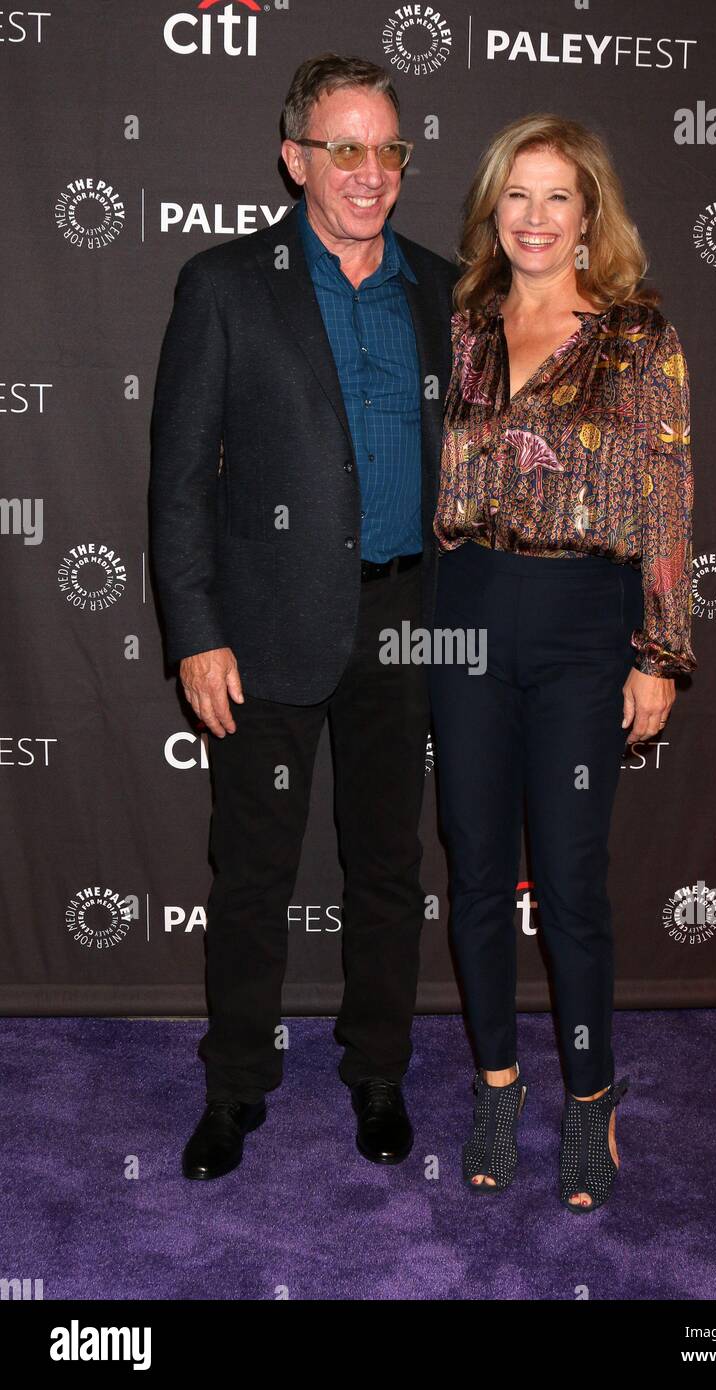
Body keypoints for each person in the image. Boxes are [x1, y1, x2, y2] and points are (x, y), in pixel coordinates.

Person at [148, 52, 459, 1179]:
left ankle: (378, 1072)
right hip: (263, 627)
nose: (369, 172)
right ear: (295, 159)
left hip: (406, 620)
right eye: (344, 148)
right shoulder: (227, 285)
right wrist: (194, 631)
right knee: (252, 879)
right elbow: (179, 479)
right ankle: (234, 1088)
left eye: (387, 149)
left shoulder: (440, 285)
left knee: (387, 868)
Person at [428, 113, 696, 1212]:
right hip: (466, 609)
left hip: (585, 620)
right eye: (515, 197)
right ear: (492, 211)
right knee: (477, 870)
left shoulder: (638, 337)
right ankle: (497, 1084)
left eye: (556, 198)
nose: (534, 219)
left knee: (572, 886)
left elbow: (666, 504)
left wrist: (660, 653)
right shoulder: (462, 326)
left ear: (589, 216)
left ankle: (591, 1100)